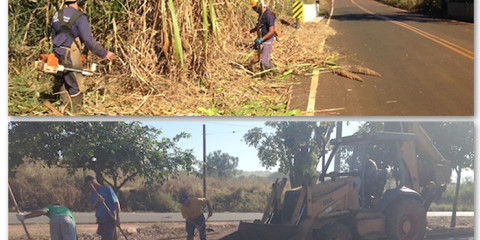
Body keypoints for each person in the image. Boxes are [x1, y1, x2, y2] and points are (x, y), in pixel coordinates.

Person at [51, 0, 115, 112]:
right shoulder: (80, 16)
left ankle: (64, 109)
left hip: (57, 52)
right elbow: (88, 41)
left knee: (65, 79)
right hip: (70, 52)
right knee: (76, 85)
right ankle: (75, 112)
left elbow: (53, 37)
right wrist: (104, 53)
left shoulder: (57, 15)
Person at [84, 175, 121, 240]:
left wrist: (118, 218)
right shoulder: (93, 193)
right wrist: (97, 200)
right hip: (101, 220)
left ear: (92, 182)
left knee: (107, 238)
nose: (88, 187)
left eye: (88, 184)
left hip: (109, 218)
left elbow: (116, 203)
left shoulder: (107, 189)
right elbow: (92, 208)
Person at [245, 0, 276, 70]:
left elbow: (272, 31)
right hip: (263, 39)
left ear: (260, 5)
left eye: (255, 7)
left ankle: (264, 77)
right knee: (266, 58)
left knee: (264, 61)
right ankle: (275, 72)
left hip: (267, 40)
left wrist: (262, 39)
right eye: (253, 8)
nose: (255, 10)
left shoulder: (269, 15)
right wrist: (250, 31)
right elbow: (258, 26)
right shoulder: (261, 15)